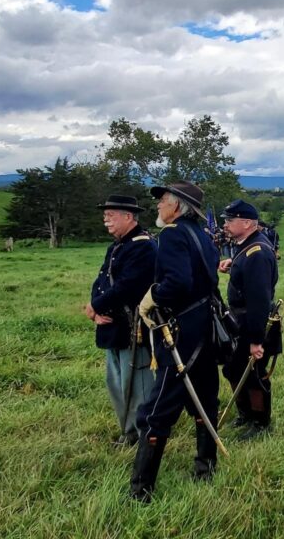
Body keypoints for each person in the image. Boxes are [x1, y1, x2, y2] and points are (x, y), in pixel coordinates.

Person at [130, 180, 219, 502]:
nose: (158, 205)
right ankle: (206, 467)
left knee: (157, 410)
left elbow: (177, 283)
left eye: (163, 200)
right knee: (205, 401)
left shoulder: (172, 234)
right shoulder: (203, 235)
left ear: (178, 206)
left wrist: (152, 297)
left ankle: (141, 489)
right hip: (204, 329)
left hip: (179, 334)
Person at [86, 194, 157, 446]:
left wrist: (97, 305)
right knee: (115, 382)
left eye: (111, 215)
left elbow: (129, 286)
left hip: (132, 327)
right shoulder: (118, 245)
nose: (106, 219)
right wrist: (95, 308)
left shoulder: (143, 245)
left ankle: (144, 436)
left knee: (136, 385)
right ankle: (128, 432)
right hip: (112, 326)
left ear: (128, 217)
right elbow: (102, 279)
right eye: (105, 215)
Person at [218, 200, 279, 440]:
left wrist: (256, 340)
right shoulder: (245, 246)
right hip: (238, 319)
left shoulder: (257, 252)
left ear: (246, 223)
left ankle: (260, 422)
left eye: (230, 220)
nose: (225, 224)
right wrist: (232, 265)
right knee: (234, 369)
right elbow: (244, 269)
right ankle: (244, 412)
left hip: (250, 321)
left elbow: (258, 300)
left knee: (253, 374)